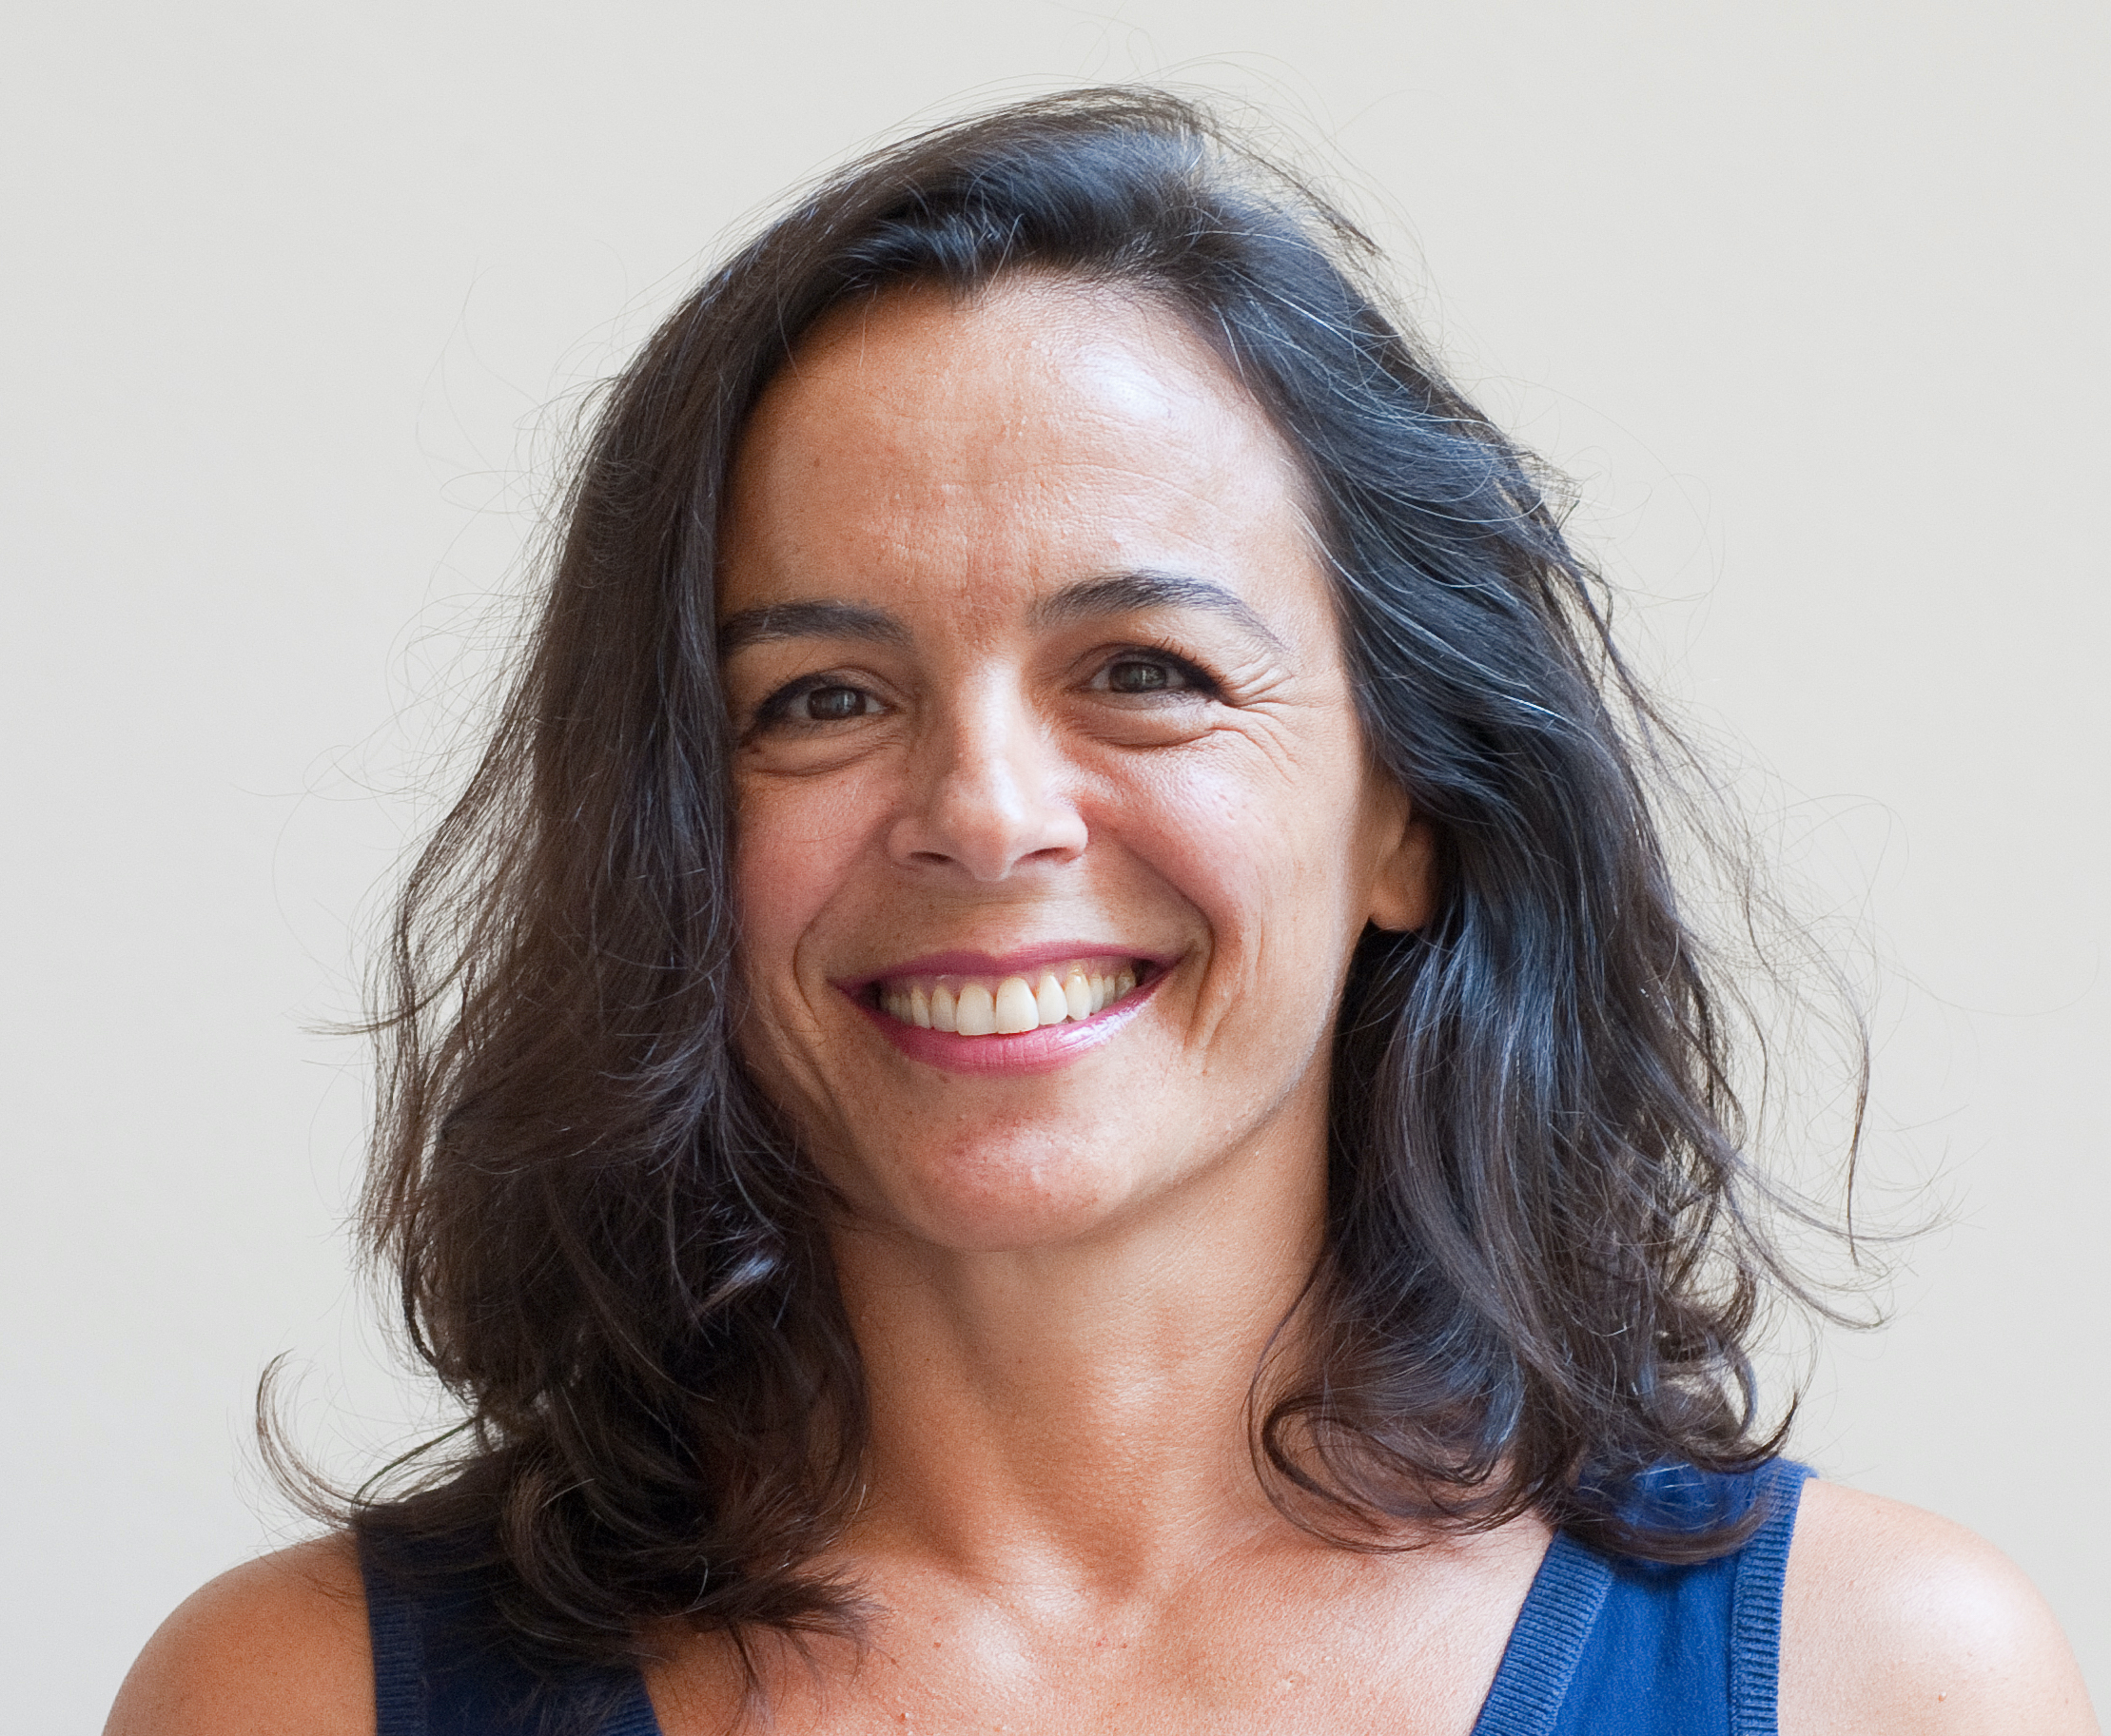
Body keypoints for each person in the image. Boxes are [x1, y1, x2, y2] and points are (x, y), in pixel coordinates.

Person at [107, 89, 2094, 1736]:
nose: (983, 814)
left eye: (1145, 670)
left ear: (1409, 813)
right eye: (821, 698)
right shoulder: (291, 1700)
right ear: (674, 834)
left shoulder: (1878, 1683)